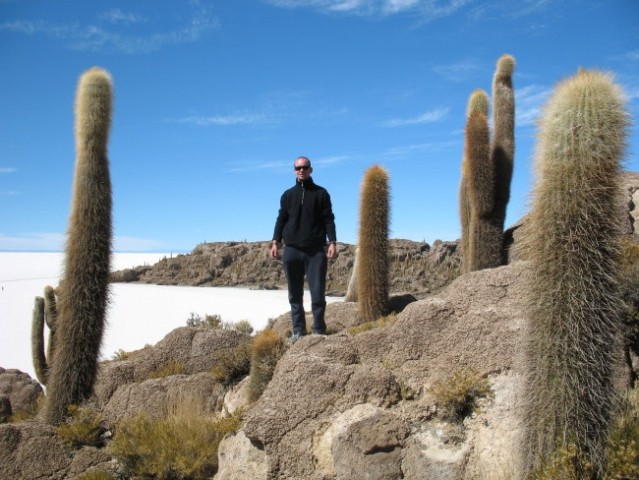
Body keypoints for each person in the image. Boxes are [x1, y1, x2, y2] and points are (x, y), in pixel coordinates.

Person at [271, 156, 337, 343]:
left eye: (305, 167)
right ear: (294, 170)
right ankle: (298, 331)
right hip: (291, 250)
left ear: (311, 170)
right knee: (295, 294)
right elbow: (281, 219)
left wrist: (332, 242)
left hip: (315, 250)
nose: (301, 170)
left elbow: (328, 219)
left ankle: (318, 329)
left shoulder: (321, 193)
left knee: (317, 292)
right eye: (298, 167)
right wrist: (275, 241)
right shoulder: (287, 195)